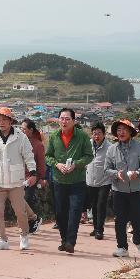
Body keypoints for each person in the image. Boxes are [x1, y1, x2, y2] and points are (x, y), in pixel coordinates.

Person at [0, 107, 38, 251]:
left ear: (10, 121)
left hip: (16, 182)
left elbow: (29, 156)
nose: (1, 122)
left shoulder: (20, 137)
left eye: (4, 119)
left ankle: (24, 236)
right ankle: (2, 239)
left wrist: (33, 173)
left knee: (20, 211)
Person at [45, 108, 94, 254]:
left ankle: (71, 242)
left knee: (74, 212)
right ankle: (64, 240)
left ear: (74, 121)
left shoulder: (82, 136)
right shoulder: (54, 136)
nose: (64, 121)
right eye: (62, 118)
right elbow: (48, 156)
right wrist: (57, 164)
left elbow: (89, 156)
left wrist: (76, 164)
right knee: (60, 213)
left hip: (77, 182)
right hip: (59, 181)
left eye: (67, 119)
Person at [103, 119, 140, 257]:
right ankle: (122, 247)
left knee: (137, 218)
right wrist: (116, 174)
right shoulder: (112, 149)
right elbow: (106, 169)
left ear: (131, 132)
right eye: (118, 130)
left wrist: (138, 173)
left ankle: (137, 240)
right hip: (118, 190)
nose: (121, 132)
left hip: (136, 189)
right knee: (120, 220)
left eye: (124, 129)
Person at [84, 122, 111, 241]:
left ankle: (100, 230)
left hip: (104, 181)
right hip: (90, 180)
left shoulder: (110, 147)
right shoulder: (87, 145)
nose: (96, 136)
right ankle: (95, 228)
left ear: (104, 134)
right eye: (94, 133)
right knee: (94, 206)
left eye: (99, 133)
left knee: (101, 205)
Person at [20, 118, 47, 233]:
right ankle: (28, 223)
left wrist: (41, 178)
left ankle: (31, 222)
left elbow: (41, 163)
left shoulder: (38, 145)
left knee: (27, 199)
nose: (22, 131)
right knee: (20, 201)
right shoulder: (20, 142)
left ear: (31, 130)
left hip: (32, 177)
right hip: (19, 176)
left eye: (24, 129)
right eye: (21, 129)